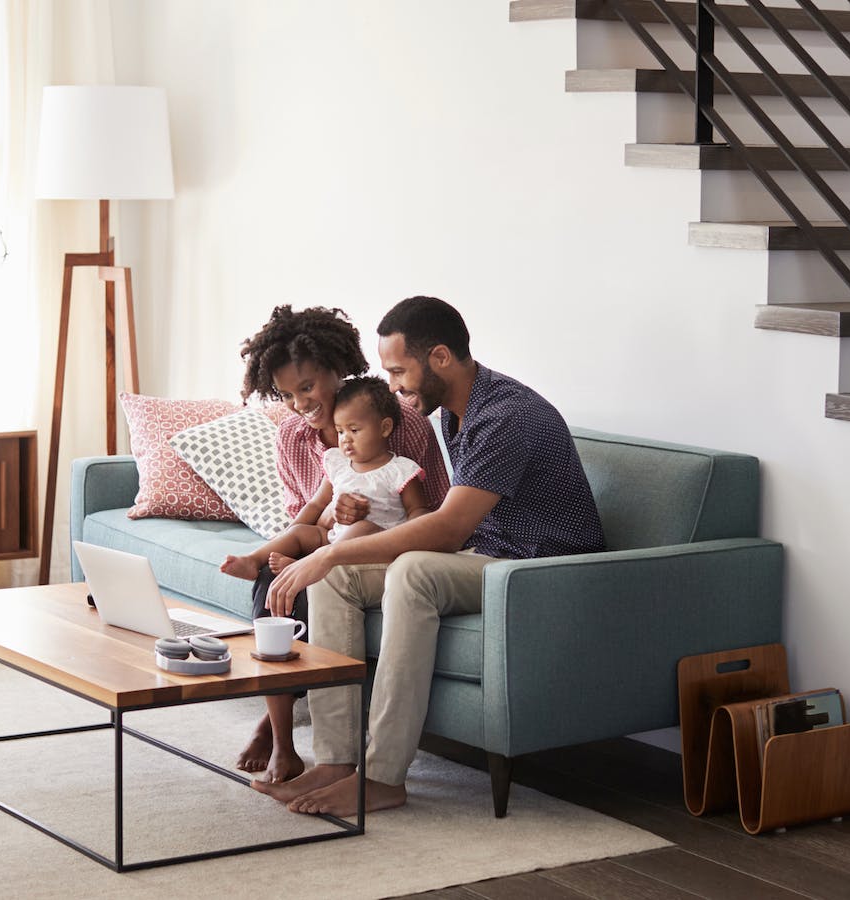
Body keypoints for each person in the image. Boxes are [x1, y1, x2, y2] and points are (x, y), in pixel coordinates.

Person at [256, 296, 605, 816]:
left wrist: (325, 555)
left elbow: (446, 528)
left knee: (410, 571)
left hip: (540, 568)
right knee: (335, 579)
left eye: (399, 370)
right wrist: (331, 557)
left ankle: (382, 778)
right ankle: (336, 761)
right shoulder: (457, 414)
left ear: (439, 357)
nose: (392, 385)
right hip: (489, 556)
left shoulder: (506, 415)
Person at [233, 306, 451, 785]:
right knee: (274, 582)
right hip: (324, 540)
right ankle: (284, 744)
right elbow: (304, 514)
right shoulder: (291, 435)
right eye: (287, 394)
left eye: (308, 387)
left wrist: (357, 522)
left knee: (312, 577)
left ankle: (276, 727)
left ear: (337, 369)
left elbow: (431, 510)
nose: (300, 404)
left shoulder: (401, 423)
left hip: (385, 545)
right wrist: (327, 523)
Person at [222, 377, 429, 580]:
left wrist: (409, 538)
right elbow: (316, 503)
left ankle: (306, 566)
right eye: (340, 431)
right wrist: (292, 531)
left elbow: (417, 510)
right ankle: (253, 560)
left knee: (363, 527)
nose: (345, 439)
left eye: (354, 430)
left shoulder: (400, 470)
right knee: (301, 532)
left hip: (377, 544)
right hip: (334, 538)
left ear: (385, 428)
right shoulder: (338, 462)